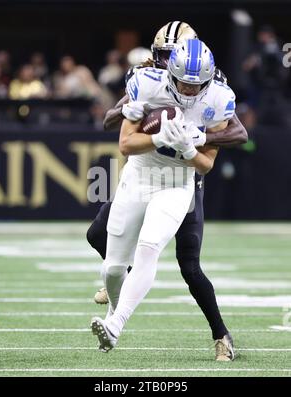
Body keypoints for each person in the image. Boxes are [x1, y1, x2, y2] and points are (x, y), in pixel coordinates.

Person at [88, 21, 247, 361]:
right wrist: (133, 111)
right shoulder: (148, 79)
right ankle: (120, 287)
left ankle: (221, 335)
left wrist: (197, 141)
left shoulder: (215, 91)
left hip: (183, 178)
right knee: (100, 237)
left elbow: (237, 136)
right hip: (143, 172)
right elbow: (117, 130)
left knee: (187, 263)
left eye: (168, 56)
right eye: (161, 56)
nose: (162, 62)